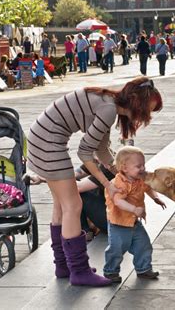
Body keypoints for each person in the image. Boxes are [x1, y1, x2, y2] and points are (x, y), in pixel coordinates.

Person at [26, 77, 163, 287]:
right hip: (48, 144)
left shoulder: (109, 103)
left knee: (62, 205)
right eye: (147, 111)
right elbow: (85, 152)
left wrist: (120, 170)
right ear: (137, 103)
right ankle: (79, 271)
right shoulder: (108, 109)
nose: (146, 117)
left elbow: (101, 149)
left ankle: (64, 265)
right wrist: (107, 184)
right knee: (73, 205)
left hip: (41, 140)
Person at [103, 146, 166, 283]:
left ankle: (143, 269)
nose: (143, 168)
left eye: (143, 165)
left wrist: (155, 198)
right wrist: (134, 209)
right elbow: (118, 201)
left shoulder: (139, 179)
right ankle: (111, 271)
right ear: (124, 168)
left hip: (134, 222)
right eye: (138, 166)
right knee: (117, 248)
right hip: (118, 223)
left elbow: (148, 188)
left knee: (143, 245)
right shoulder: (118, 184)